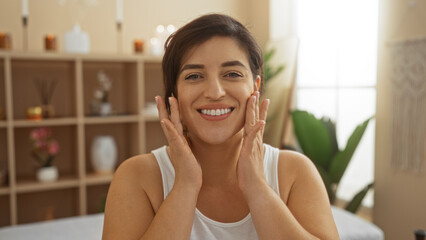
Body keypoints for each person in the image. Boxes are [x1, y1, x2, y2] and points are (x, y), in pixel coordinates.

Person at [102, 13, 339, 240]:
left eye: (232, 74)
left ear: (255, 87)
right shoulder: (137, 176)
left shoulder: (295, 172)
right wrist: (185, 185)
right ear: (174, 94)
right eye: (194, 76)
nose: (215, 92)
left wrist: (256, 185)